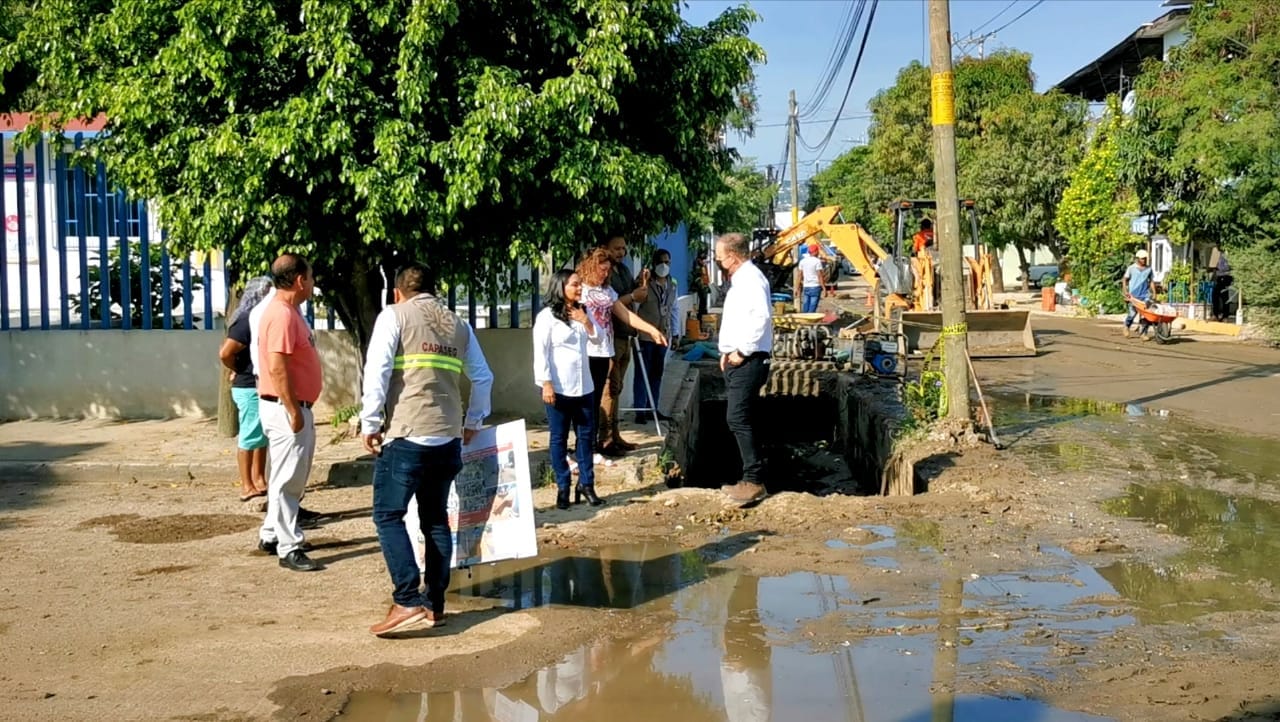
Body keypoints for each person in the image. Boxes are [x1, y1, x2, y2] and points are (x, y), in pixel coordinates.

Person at [359, 263, 494, 636]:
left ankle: (406, 599)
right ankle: (435, 605)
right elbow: (483, 377)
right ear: (434, 291)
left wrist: (370, 422)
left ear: (398, 292)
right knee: (434, 518)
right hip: (447, 437)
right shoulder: (458, 325)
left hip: (407, 433)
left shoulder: (394, 316)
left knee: (388, 515)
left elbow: (377, 371)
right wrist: (473, 422)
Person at [256, 254, 324, 572]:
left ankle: (271, 534)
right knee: (288, 481)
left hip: (291, 407)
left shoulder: (288, 312)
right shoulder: (282, 315)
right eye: (310, 278)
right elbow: (277, 366)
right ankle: (289, 546)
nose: (312, 284)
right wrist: (292, 409)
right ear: (299, 281)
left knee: (286, 476)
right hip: (287, 408)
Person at [578, 248, 669, 458]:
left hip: (605, 350)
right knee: (588, 402)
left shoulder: (606, 291)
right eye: (602, 269)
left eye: (608, 270)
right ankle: (588, 448)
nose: (605, 274)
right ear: (591, 267)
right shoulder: (580, 290)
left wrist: (651, 330)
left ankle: (597, 445)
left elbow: (625, 314)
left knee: (603, 394)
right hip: (586, 352)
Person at [533, 269, 601, 510]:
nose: (579, 288)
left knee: (585, 437)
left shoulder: (583, 312)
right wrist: (546, 383)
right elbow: (540, 352)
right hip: (559, 388)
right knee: (558, 438)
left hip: (584, 386)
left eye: (580, 284)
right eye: (574, 284)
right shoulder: (547, 317)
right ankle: (563, 485)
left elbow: (598, 340)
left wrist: (587, 322)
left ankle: (587, 483)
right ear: (560, 287)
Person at [714, 232, 773, 505]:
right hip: (738, 359)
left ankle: (754, 481)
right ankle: (751, 477)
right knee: (743, 417)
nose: (717, 262)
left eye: (720, 257)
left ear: (733, 257)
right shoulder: (741, 280)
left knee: (737, 418)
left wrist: (742, 351)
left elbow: (760, 317)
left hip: (749, 359)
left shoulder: (750, 280)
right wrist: (727, 351)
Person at [218, 275, 272, 502]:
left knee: (262, 435)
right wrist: (238, 369)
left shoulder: (261, 319)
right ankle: (246, 484)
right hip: (248, 385)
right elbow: (225, 353)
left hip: (260, 383)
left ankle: (259, 478)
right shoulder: (245, 321)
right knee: (249, 435)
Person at [602, 234, 647, 454]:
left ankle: (616, 434)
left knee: (617, 389)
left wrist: (640, 284)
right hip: (610, 337)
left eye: (623, 248)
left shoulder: (624, 270)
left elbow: (632, 295)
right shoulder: (603, 272)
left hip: (625, 335)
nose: (621, 252)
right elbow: (611, 303)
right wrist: (632, 295)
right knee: (609, 388)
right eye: (616, 248)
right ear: (605, 248)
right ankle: (606, 439)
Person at [633, 248, 680, 424]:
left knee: (657, 373)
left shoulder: (672, 284)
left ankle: (653, 407)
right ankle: (640, 409)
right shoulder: (645, 282)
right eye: (661, 262)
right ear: (654, 263)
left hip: (663, 335)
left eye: (667, 262)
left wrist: (675, 334)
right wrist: (643, 281)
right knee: (642, 373)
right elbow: (636, 303)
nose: (664, 265)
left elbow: (674, 309)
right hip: (645, 336)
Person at [1122, 249, 1157, 339]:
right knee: (1132, 314)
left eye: (1145, 258)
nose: (1144, 260)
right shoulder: (1131, 268)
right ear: (1137, 259)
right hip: (1133, 295)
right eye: (1142, 259)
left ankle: (1143, 333)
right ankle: (1126, 326)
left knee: (1147, 314)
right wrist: (1125, 292)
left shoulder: (1149, 269)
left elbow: (1151, 281)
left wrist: (1154, 293)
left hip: (1145, 295)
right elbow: (1124, 279)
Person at [796, 243, 825, 313]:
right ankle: (810, 321)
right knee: (813, 306)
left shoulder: (802, 261)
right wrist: (824, 288)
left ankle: (805, 320)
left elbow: (799, 275)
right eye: (817, 251)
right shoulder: (817, 261)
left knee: (805, 305)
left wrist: (797, 288)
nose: (818, 252)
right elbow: (819, 275)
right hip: (815, 287)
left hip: (806, 287)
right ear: (815, 252)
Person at [1208, 243, 1233, 322]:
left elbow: (1228, 266)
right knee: (1215, 295)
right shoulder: (1217, 252)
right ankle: (1216, 315)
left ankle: (1225, 316)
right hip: (1218, 276)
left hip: (1226, 276)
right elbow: (1213, 265)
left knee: (1224, 295)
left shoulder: (1227, 253)